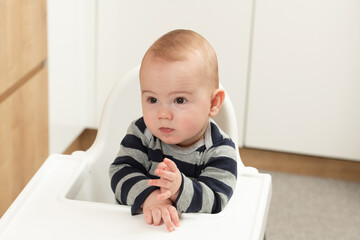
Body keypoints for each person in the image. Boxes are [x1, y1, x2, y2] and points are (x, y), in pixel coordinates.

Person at [109, 29, 237, 232]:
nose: (163, 114)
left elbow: (216, 200)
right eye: (152, 99)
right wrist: (151, 198)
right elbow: (120, 173)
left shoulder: (220, 149)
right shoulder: (142, 133)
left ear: (213, 103)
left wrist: (179, 189)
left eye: (179, 100)